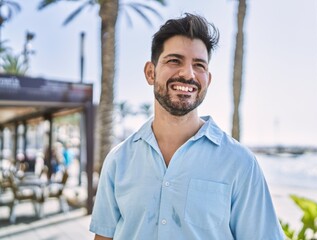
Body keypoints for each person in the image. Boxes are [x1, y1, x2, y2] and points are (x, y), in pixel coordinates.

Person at [90, 13, 285, 240]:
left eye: (199, 65)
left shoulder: (240, 163)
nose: (188, 74)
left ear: (207, 80)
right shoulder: (118, 160)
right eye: (175, 60)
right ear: (150, 72)